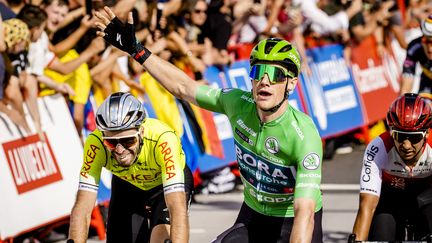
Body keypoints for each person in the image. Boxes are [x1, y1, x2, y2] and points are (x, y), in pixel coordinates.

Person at [95, 7, 324, 242]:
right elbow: (184, 87)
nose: (265, 81)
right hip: (254, 214)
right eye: (258, 71)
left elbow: (304, 213)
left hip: (292, 220)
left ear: (291, 84)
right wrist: (137, 50)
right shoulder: (237, 103)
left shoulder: (304, 135)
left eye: (275, 75)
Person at [67, 92, 193, 243]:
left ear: (141, 132)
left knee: (161, 239)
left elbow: (177, 209)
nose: (120, 150)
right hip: (127, 184)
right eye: (111, 143)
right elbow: (83, 208)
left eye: (128, 141)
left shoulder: (163, 139)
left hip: (163, 186)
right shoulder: (95, 143)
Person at [352, 93, 432, 241]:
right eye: (400, 136)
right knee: (381, 237)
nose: (406, 146)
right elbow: (366, 206)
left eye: (414, 138)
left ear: (426, 133)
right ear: (390, 132)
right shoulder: (378, 147)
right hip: (391, 200)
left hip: (427, 198)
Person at [400, 15, 432, 95]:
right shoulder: (414, 48)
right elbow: (406, 83)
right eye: (426, 41)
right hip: (427, 82)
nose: (430, 48)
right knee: (422, 106)